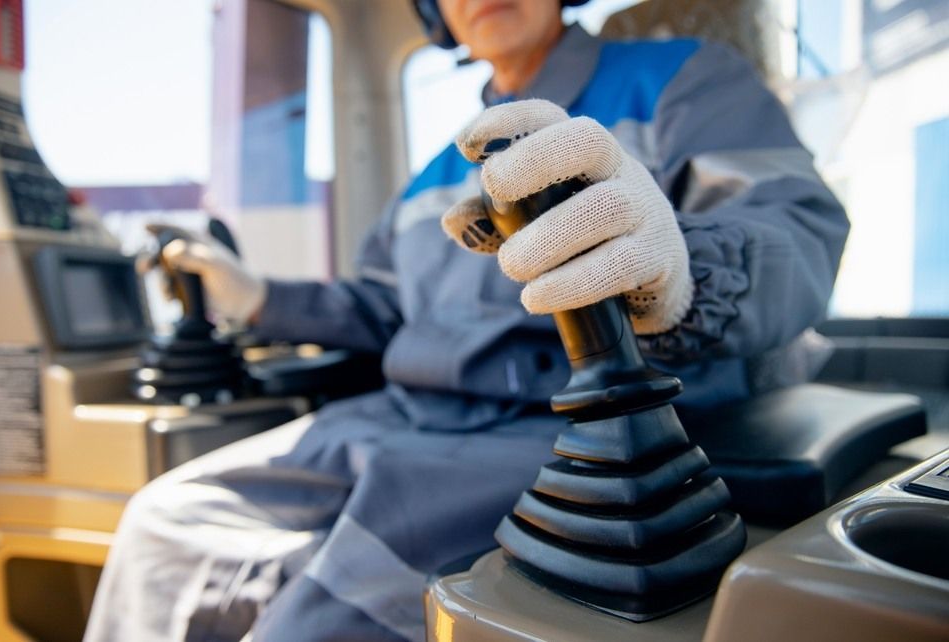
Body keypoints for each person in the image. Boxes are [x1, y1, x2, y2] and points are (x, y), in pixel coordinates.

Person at [84, 0, 849, 640]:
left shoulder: (684, 81)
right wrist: (257, 296)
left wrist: (683, 269)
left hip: (556, 429)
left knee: (327, 612)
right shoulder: (438, 169)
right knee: (164, 523)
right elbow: (385, 307)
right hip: (396, 417)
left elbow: (800, 230)